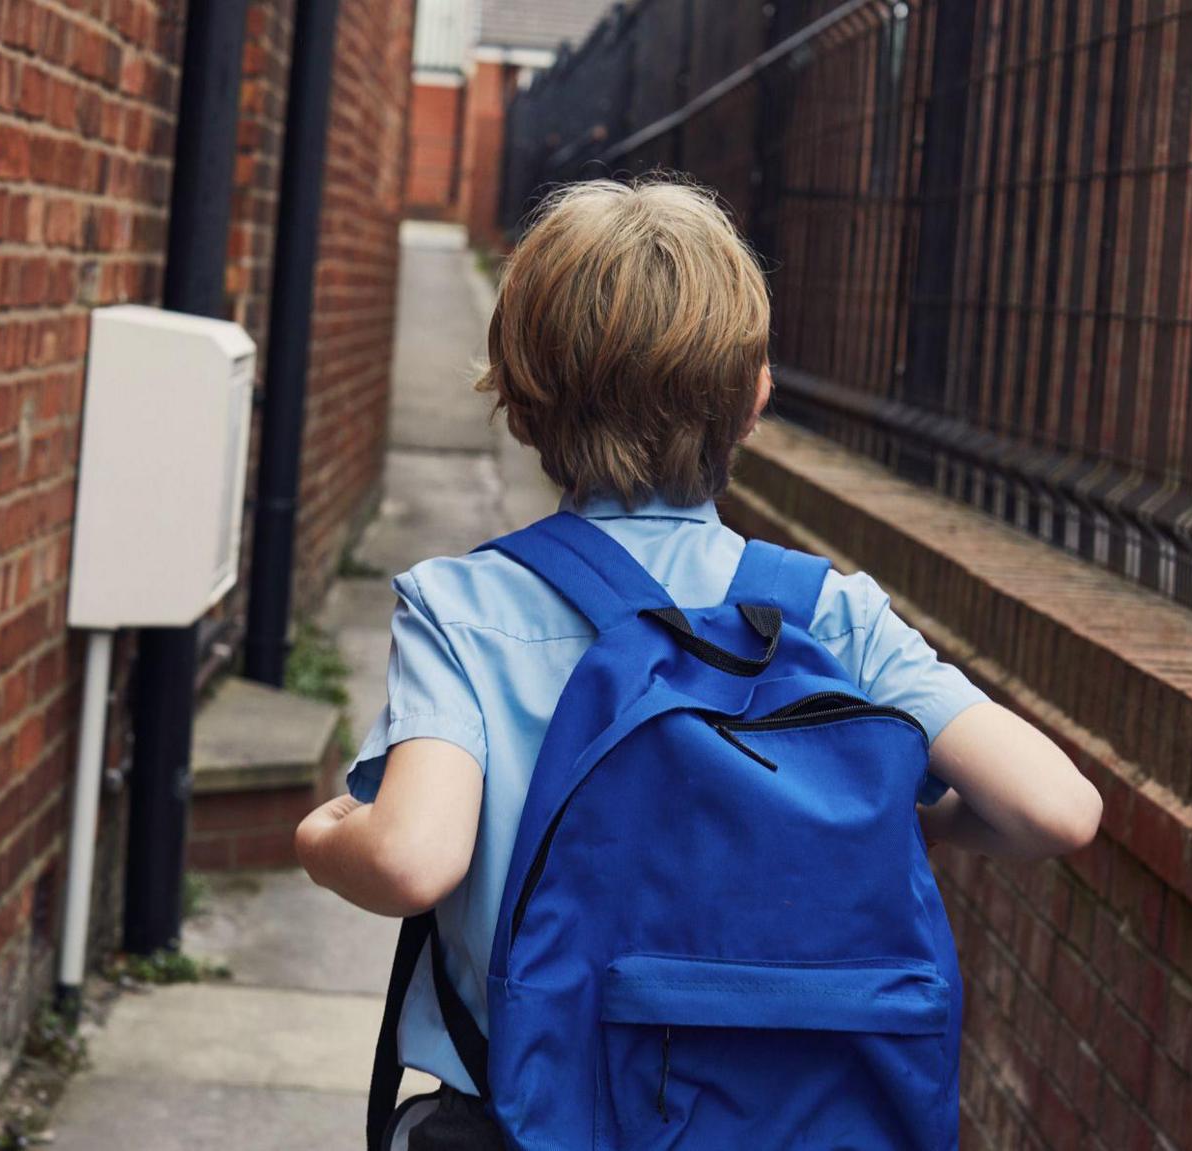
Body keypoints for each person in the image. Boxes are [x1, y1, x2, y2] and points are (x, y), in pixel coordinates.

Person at [296, 177, 1102, 1148]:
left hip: (523, 1116)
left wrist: (320, 832)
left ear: (514, 397)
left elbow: (409, 856)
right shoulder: (827, 609)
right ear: (753, 399)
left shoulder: (465, 606)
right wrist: (877, 806)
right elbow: (1056, 809)